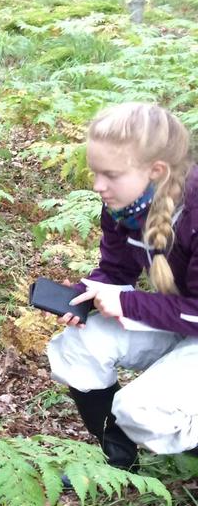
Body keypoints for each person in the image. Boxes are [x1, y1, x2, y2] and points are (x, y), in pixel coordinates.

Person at [47, 103, 198, 469]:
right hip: (180, 318)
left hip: (190, 317)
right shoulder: (125, 207)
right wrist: (90, 291)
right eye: (95, 172)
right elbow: (116, 270)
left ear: (156, 171)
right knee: (76, 347)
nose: (99, 186)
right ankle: (119, 460)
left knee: (139, 408)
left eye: (110, 174)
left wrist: (128, 305)